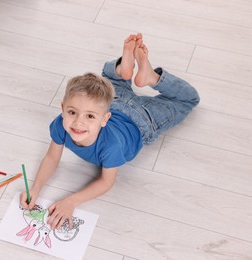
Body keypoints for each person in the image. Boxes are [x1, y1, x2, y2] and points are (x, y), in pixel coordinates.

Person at [20, 33, 200, 230]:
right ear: (63, 108)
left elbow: (106, 182)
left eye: (89, 117)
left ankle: (151, 76)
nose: (78, 123)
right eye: (72, 112)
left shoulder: (111, 146)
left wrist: (70, 201)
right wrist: (35, 189)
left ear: (105, 119)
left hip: (142, 119)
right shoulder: (60, 123)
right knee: (104, 82)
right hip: (110, 102)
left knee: (189, 99)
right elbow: (51, 158)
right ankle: (123, 70)